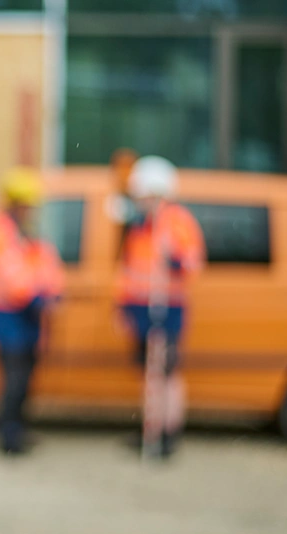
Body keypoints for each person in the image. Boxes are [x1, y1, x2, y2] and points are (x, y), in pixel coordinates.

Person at [117, 155, 205, 458]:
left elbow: (193, 262)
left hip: (167, 307)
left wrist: (175, 261)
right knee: (149, 373)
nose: (139, 201)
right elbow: (130, 269)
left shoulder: (176, 221)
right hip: (142, 308)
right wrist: (125, 306)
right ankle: (150, 427)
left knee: (166, 372)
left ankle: (168, 433)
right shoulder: (141, 226)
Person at [0, 167, 65, 454]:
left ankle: (19, 429)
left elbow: (45, 263)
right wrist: (35, 296)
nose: (30, 210)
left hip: (28, 314)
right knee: (12, 378)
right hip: (7, 315)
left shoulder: (24, 232)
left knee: (25, 377)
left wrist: (52, 291)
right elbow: (8, 272)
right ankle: (8, 436)